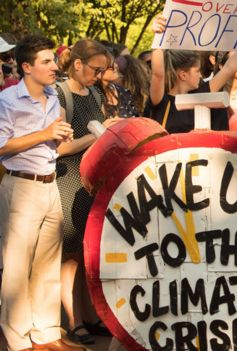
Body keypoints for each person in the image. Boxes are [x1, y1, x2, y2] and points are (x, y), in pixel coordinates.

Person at [0, 34, 83, 351]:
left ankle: (47, 334)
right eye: (46, 61)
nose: (53, 66)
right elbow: (2, 146)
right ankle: (18, 340)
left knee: (48, 265)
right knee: (18, 268)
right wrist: (45, 133)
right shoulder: (8, 101)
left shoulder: (53, 97)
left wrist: (60, 136)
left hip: (50, 185)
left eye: (52, 60)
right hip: (21, 186)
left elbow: (57, 145)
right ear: (26, 67)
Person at [56, 38, 120, 344]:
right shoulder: (60, 94)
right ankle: (73, 319)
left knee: (85, 253)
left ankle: (90, 315)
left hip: (89, 181)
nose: (99, 75)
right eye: (95, 69)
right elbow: (59, 148)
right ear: (77, 64)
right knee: (69, 256)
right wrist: (97, 135)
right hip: (67, 180)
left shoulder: (94, 92)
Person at [147, 14, 237, 132]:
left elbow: (229, 68)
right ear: (183, 75)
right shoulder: (161, 100)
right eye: (197, 71)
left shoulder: (201, 94)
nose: (201, 75)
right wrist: (158, 38)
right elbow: (158, 75)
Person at [97, 54, 138, 118]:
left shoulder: (124, 92)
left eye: (114, 62)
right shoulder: (92, 96)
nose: (116, 66)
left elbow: (135, 119)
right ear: (98, 70)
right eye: (110, 65)